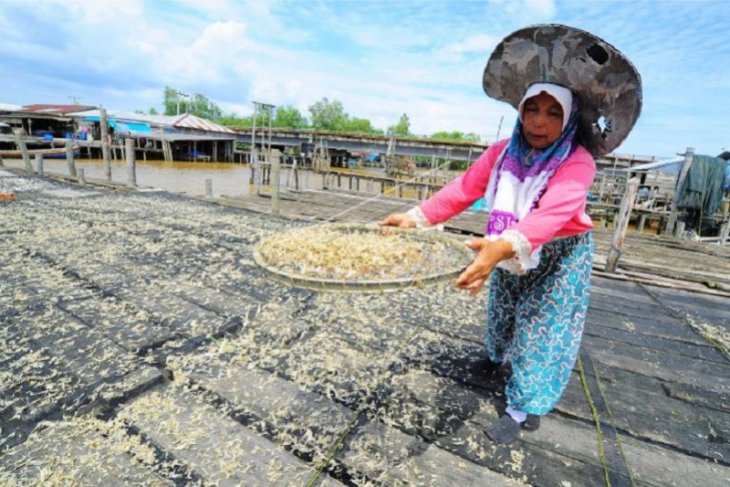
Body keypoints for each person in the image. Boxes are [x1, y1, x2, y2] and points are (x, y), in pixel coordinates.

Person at [380, 24, 642, 444]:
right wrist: (415, 217)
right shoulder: (501, 152)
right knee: (502, 312)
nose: (539, 122)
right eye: (531, 109)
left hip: (559, 254)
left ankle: (523, 408)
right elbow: (463, 190)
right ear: (520, 110)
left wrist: (504, 246)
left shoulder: (577, 162)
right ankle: (494, 355)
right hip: (503, 244)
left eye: (553, 112)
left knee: (543, 329)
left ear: (570, 117)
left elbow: (555, 213)